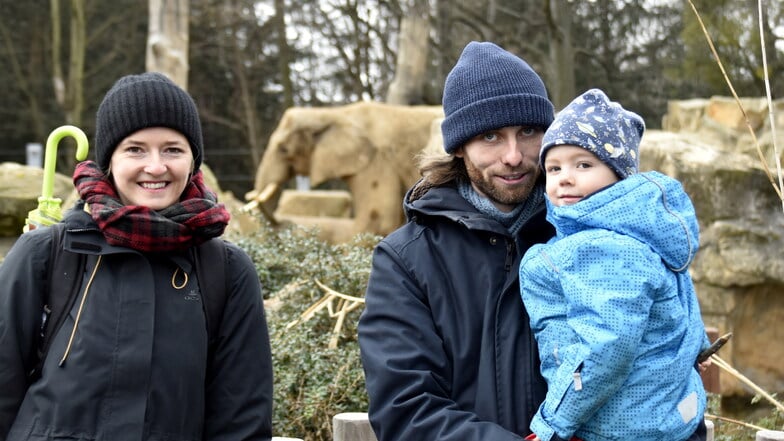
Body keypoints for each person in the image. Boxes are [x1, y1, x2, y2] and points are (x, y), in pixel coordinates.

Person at [0, 72, 273, 440]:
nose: (156, 166)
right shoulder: (47, 253)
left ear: (193, 161)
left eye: (173, 149)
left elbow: (241, 420)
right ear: (109, 160)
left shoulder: (226, 271)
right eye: (135, 149)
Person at [358, 41, 556, 441]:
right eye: (491, 137)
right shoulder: (406, 260)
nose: (514, 155)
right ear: (460, 146)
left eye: (528, 131)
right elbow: (406, 409)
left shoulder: (588, 236)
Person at [519, 88, 709, 441]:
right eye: (554, 168)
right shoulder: (642, 228)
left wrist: (553, 424)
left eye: (584, 164)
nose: (565, 177)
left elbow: (606, 348)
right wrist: (695, 345)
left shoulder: (604, 248)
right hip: (671, 415)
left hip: (621, 426)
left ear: (619, 174)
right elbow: (678, 297)